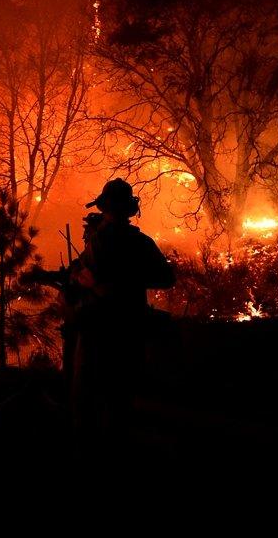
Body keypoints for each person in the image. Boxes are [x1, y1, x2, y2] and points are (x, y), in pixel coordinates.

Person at [69, 178, 174, 448]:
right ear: (130, 209)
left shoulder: (99, 241)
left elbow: (85, 278)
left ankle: (91, 453)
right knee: (120, 398)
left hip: (97, 330)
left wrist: (85, 278)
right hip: (130, 328)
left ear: (105, 207)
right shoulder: (141, 243)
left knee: (87, 398)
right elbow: (165, 277)